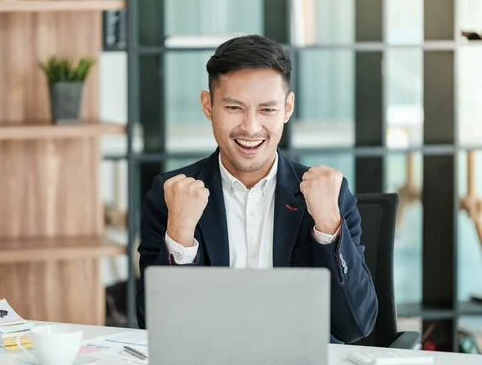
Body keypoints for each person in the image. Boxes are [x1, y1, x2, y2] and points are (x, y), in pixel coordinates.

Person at [136, 34, 378, 344]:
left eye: (267, 110)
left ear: (287, 108)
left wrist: (329, 227)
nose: (250, 127)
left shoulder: (328, 193)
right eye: (235, 107)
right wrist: (181, 236)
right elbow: (157, 328)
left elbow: (356, 324)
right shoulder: (171, 194)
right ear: (208, 105)